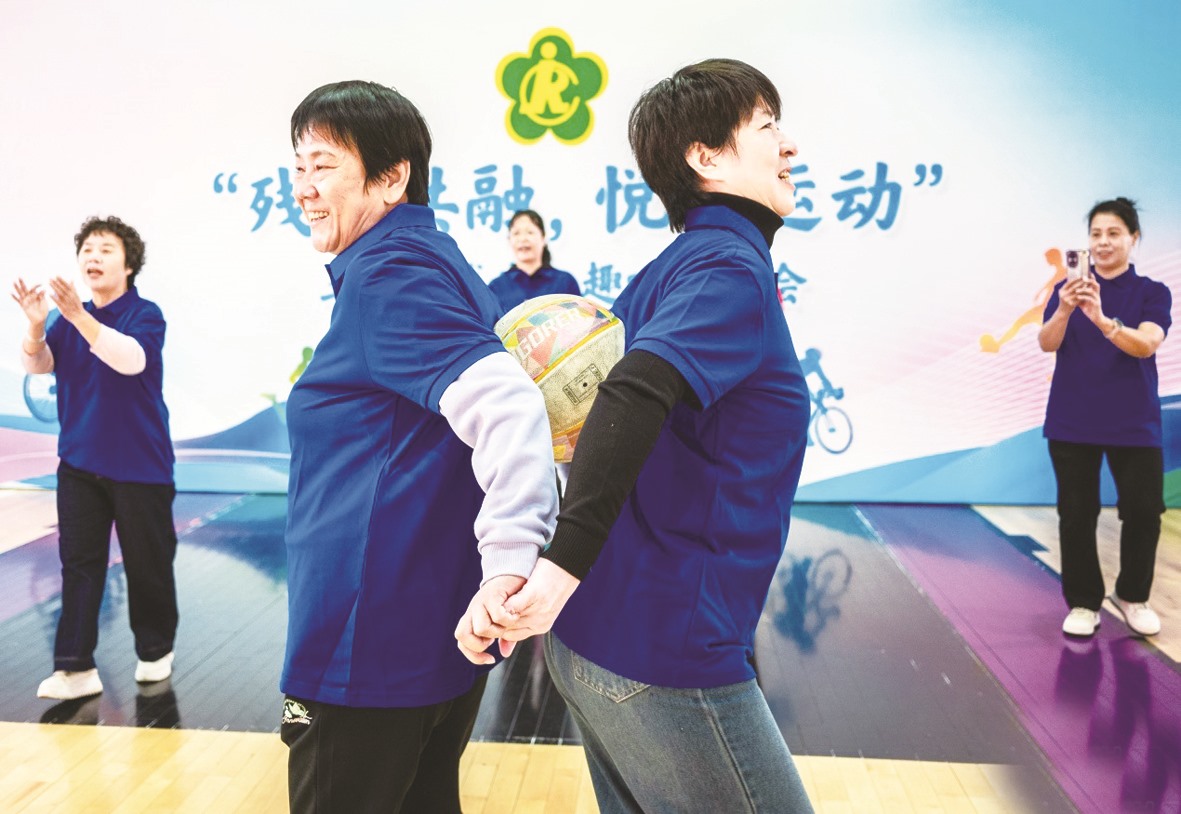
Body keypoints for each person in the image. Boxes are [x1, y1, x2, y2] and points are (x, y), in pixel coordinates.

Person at [457, 59, 815, 813]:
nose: (790, 146)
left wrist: (554, 573)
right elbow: (634, 390)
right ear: (705, 157)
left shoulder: (673, 269)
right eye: (768, 128)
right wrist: (558, 567)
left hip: (597, 640)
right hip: (665, 648)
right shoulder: (728, 267)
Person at [280, 80, 558, 813]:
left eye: (323, 166)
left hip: (365, 643)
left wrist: (508, 564)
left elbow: (508, 406)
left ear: (391, 176)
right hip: (423, 639)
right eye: (298, 167)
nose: (303, 188)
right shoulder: (430, 259)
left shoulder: (389, 274)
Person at [12, 216, 178, 700]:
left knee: (147, 563)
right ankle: (75, 667)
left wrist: (79, 318)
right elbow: (38, 364)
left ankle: (155, 648)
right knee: (79, 564)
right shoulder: (67, 319)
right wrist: (37, 325)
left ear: (128, 265)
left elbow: (131, 360)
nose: (93, 256)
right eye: (87, 249)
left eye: (105, 249)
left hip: (141, 465)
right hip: (80, 463)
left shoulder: (145, 314)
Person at [1038, 197, 1171, 639]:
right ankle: (1083, 602)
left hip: (1134, 421)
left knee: (1144, 512)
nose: (1103, 242)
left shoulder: (1152, 292)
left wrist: (1100, 319)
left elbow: (1146, 344)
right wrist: (1064, 309)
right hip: (1072, 419)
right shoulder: (1067, 289)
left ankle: (1132, 596)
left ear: (1133, 238)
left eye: (1114, 233)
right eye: (1096, 234)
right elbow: (1047, 343)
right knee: (1076, 513)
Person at [486, 209, 580, 315]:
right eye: (516, 233)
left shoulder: (565, 282)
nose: (523, 239)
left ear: (543, 238)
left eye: (530, 232)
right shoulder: (497, 287)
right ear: (509, 240)